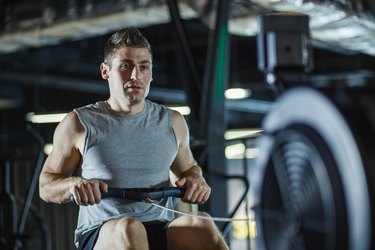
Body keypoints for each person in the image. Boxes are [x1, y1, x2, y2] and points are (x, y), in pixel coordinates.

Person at [39, 27, 229, 250]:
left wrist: (196, 180)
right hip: (103, 231)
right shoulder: (79, 123)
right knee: (130, 227)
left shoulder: (173, 121)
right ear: (105, 71)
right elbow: (46, 185)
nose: (135, 76)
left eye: (143, 67)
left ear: (151, 72)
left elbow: (189, 170)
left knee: (200, 224)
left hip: (159, 227)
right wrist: (73, 184)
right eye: (126, 66)